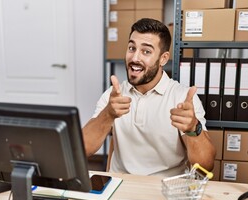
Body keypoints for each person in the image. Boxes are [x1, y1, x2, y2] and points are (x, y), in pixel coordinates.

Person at [83, 18, 215, 176]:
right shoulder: (114, 95)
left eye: (146, 51)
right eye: (132, 48)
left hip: (165, 190)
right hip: (120, 187)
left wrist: (194, 128)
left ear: (163, 59)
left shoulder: (182, 97)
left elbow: (206, 166)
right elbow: (84, 149)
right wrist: (108, 114)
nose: (134, 58)